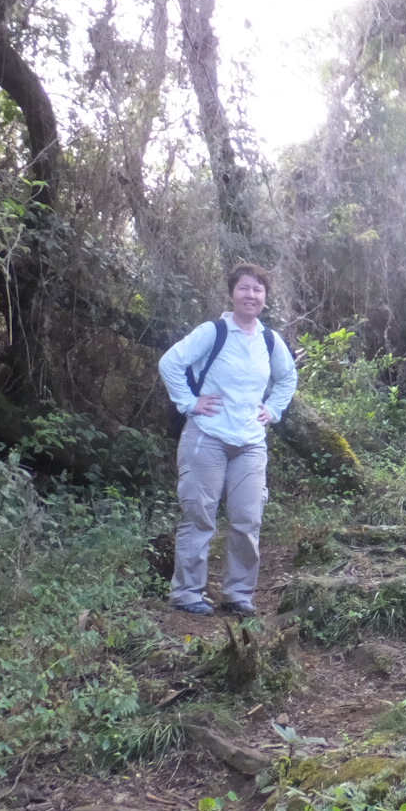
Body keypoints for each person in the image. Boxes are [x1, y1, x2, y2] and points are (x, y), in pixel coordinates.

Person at [157, 263, 299, 616]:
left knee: (248, 519)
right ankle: (187, 593)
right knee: (199, 516)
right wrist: (189, 402)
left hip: (250, 442)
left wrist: (273, 409)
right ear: (232, 293)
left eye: (258, 290)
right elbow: (170, 363)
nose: (251, 295)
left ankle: (238, 595)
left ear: (265, 297)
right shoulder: (214, 332)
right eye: (244, 288)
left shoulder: (269, 340)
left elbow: (287, 378)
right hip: (207, 436)